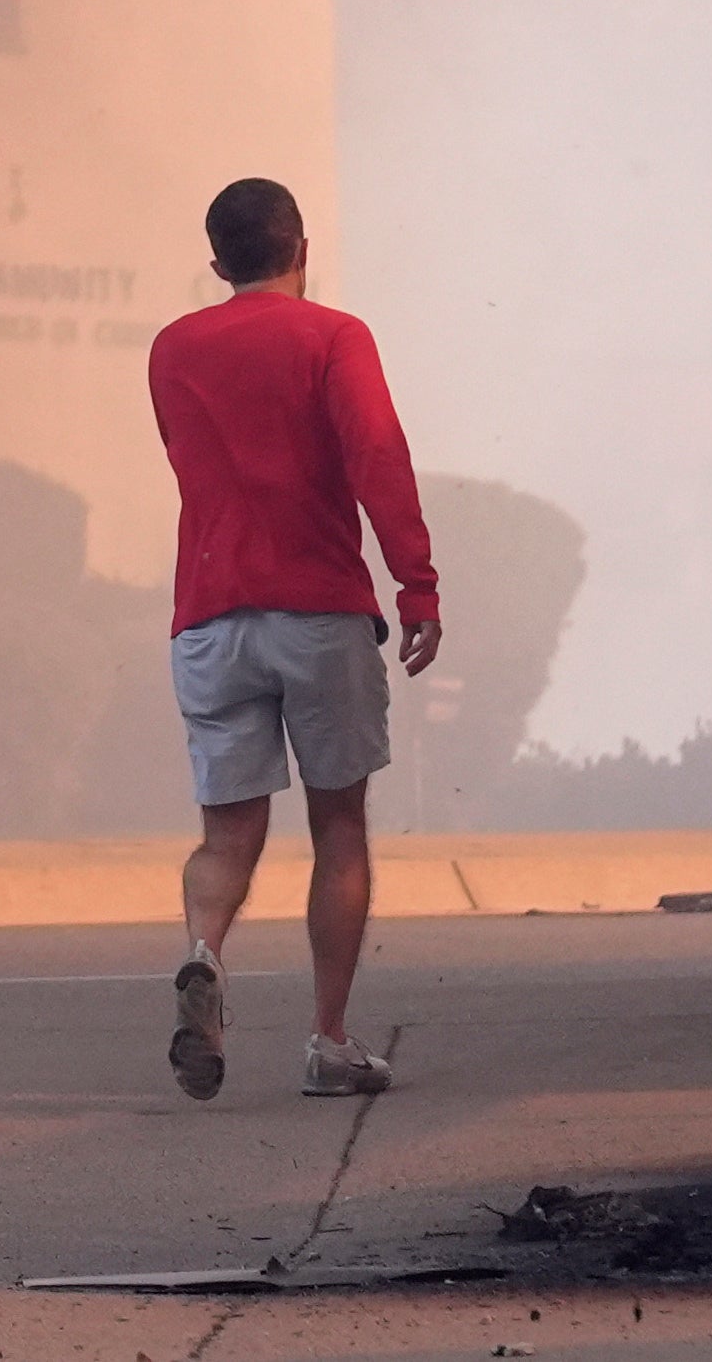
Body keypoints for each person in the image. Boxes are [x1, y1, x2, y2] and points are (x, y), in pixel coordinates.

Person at [148, 174, 438, 1100]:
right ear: (300, 249)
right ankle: (327, 1039)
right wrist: (416, 580)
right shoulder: (333, 337)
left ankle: (203, 951)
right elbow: (376, 458)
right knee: (337, 825)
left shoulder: (172, 349)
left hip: (209, 616)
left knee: (225, 833)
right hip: (316, 610)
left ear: (216, 262)